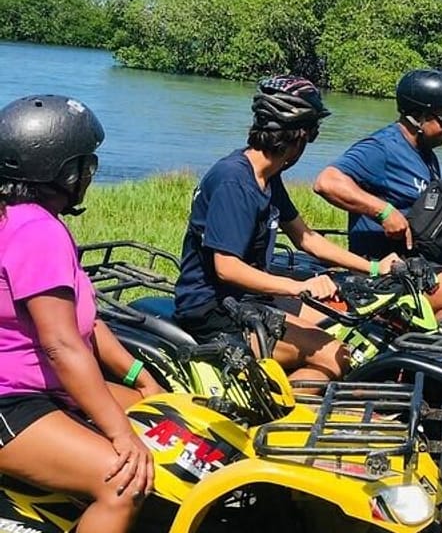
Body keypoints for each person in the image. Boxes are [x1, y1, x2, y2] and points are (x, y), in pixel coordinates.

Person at [0, 95, 164, 533]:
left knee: (169, 415)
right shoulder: (37, 231)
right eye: (86, 163)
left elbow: (87, 323)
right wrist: (121, 435)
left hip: (39, 389)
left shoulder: (26, 220)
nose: (91, 173)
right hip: (10, 400)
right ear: (61, 170)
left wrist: (142, 380)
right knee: (123, 483)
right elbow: (60, 344)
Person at [173, 76, 394, 383]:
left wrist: (374, 268)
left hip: (250, 298)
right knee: (338, 356)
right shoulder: (234, 182)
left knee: (354, 323)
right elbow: (227, 268)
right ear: (300, 135)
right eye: (312, 133)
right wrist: (298, 286)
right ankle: (279, 418)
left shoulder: (266, 176)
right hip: (213, 310)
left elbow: (307, 239)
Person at [313, 68, 442, 319]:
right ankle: (411, 352)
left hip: (427, 256)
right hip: (390, 261)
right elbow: (327, 182)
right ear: (418, 117)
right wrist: (383, 211)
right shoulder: (381, 149)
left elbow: (419, 201)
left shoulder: (427, 154)